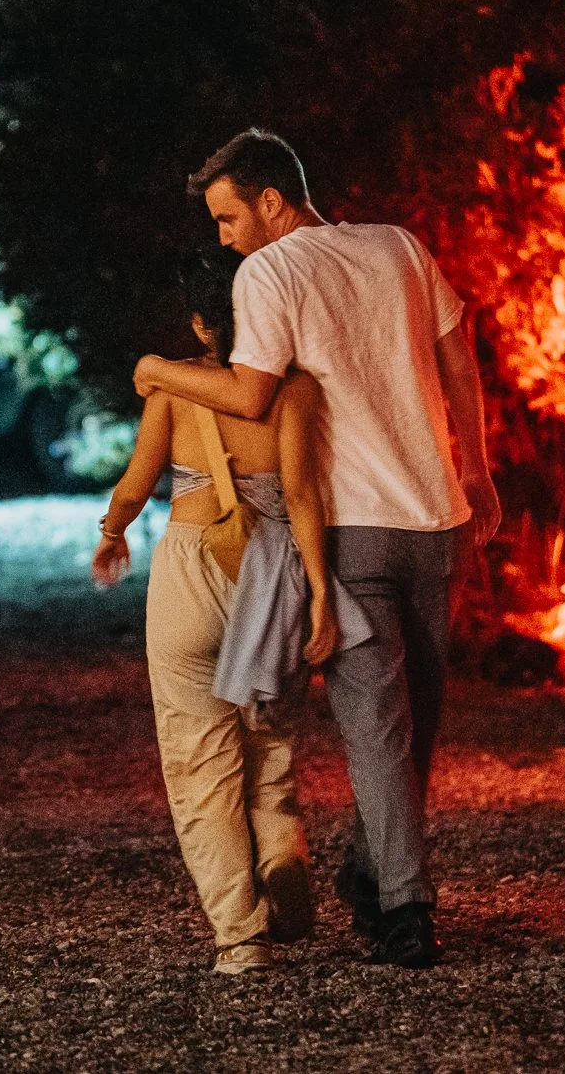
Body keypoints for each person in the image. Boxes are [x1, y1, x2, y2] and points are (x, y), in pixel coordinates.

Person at [134, 128, 502, 968]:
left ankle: (387, 887)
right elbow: (456, 348)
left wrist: (157, 369)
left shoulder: (269, 270)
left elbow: (253, 390)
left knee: (385, 726)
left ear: (272, 201)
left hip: (350, 526)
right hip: (435, 514)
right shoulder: (398, 246)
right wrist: (476, 465)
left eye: (229, 218)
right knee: (415, 723)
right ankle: (397, 896)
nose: (224, 239)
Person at [92, 248, 340, 975]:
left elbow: (139, 483)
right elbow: (302, 496)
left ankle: (240, 938)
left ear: (202, 322)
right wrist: (321, 590)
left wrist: (111, 535)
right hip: (268, 575)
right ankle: (280, 850)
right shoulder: (296, 392)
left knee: (200, 764)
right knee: (269, 740)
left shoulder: (175, 386)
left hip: (190, 567)